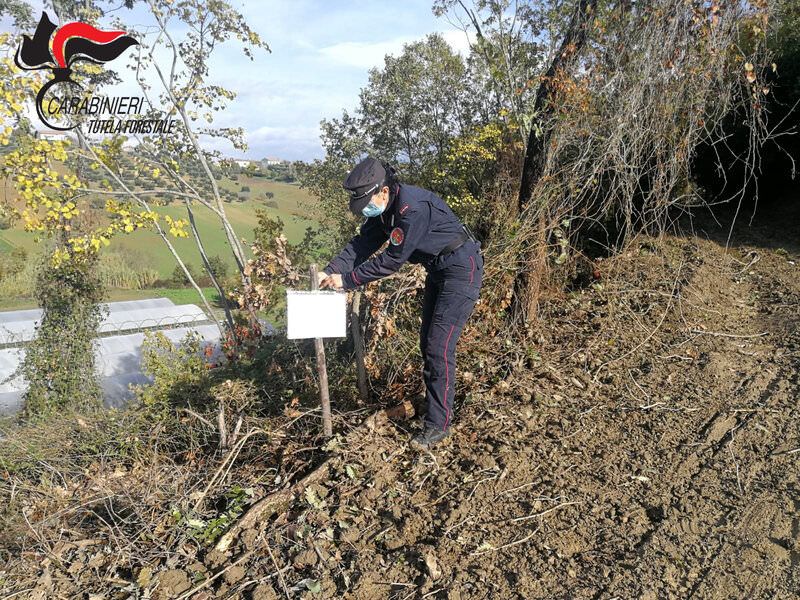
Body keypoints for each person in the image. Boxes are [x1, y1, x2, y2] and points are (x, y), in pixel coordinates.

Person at [318, 156, 484, 449]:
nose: (364, 210)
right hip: (437, 269)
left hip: (460, 267)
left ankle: (438, 425)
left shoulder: (411, 210)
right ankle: (438, 405)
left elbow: (392, 260)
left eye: (366, 201)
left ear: (383, 191)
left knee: (438, 346)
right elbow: (362, 245)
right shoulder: (383, 212)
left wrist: (348, 281)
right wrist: (331, 271)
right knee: (429, 344)